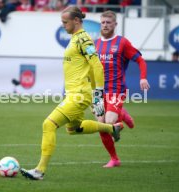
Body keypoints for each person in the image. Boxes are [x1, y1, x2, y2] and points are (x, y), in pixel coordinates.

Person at [20, 6, 123, 180]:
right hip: (75, 93)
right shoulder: (75, 38)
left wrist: (97, 95)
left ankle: (39, 170)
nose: (63, 25)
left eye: (65, 22)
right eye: (62, 22)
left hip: (79, 94)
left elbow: (97, 65)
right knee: (74, 129)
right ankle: (111, 128)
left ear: (76, 20)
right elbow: (89, 67)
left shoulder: (83, 39)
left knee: (49, 124)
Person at [94, 10, 150, 168]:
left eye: (108, 23)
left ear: (115, 24)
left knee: (110, 122)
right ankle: (114, 159)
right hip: (99, 91)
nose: (105, 25)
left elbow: (140, 60)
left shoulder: (122, 43)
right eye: (103, 22)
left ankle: (119, 117)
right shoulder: (95, 44)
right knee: (101, 127)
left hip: (116, 89)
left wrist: (143, 77)